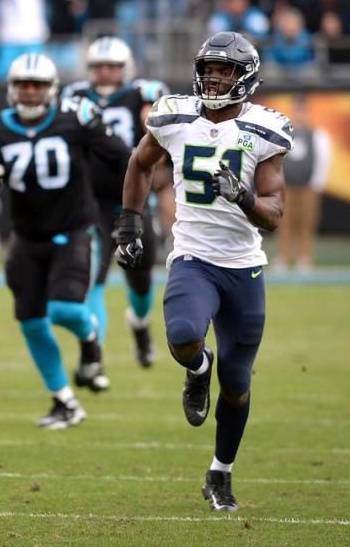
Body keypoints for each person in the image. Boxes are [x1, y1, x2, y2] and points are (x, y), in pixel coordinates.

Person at [115, 32, 290, 512]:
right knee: (186, 333)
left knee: (237, 382)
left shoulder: (264, 130)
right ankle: (197, 367)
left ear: (245, 77)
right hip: (192, 254)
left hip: (243, 266)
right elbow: (138, 162)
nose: (214, 78)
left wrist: (244, 197)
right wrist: (129, 224)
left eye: (225, 70)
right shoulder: (174, 115)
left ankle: (220, 473)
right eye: (208, 68)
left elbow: (274, 214)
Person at [0, 52, 130, 428]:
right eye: (23, 86)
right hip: (26, 238)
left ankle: (91, 344)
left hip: (75, 230)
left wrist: (129, 207)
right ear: (12, 89)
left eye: (37, 86)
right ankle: (65, 401)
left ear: (51, 89)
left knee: (65, 310)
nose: (30, 93)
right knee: (30, 322)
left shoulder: (76, 118)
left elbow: (124, 158)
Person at [62, 36, 169, 368]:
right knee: (93, 278)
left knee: (140, 277)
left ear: (126, 69)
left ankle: (139, 323)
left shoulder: (143, 93)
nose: (107, 73)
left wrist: (153, 123)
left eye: (113, 67)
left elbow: (162, 132)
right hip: (90, 202)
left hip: (132, 202)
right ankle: (94, 356)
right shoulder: (74, 96)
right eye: (100, 67)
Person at [276, 95, 331, 270]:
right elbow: (277, 159)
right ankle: (283, 257)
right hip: (287, 187)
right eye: (297, 110)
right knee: (285, 223)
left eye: (303, 111)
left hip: (308, 187)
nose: (300, 114)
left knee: (306, 223)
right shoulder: (284, 134)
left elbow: (323, 159)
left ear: (307, 113)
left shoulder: (317, 134)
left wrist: (317, 183)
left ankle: (304, 258)